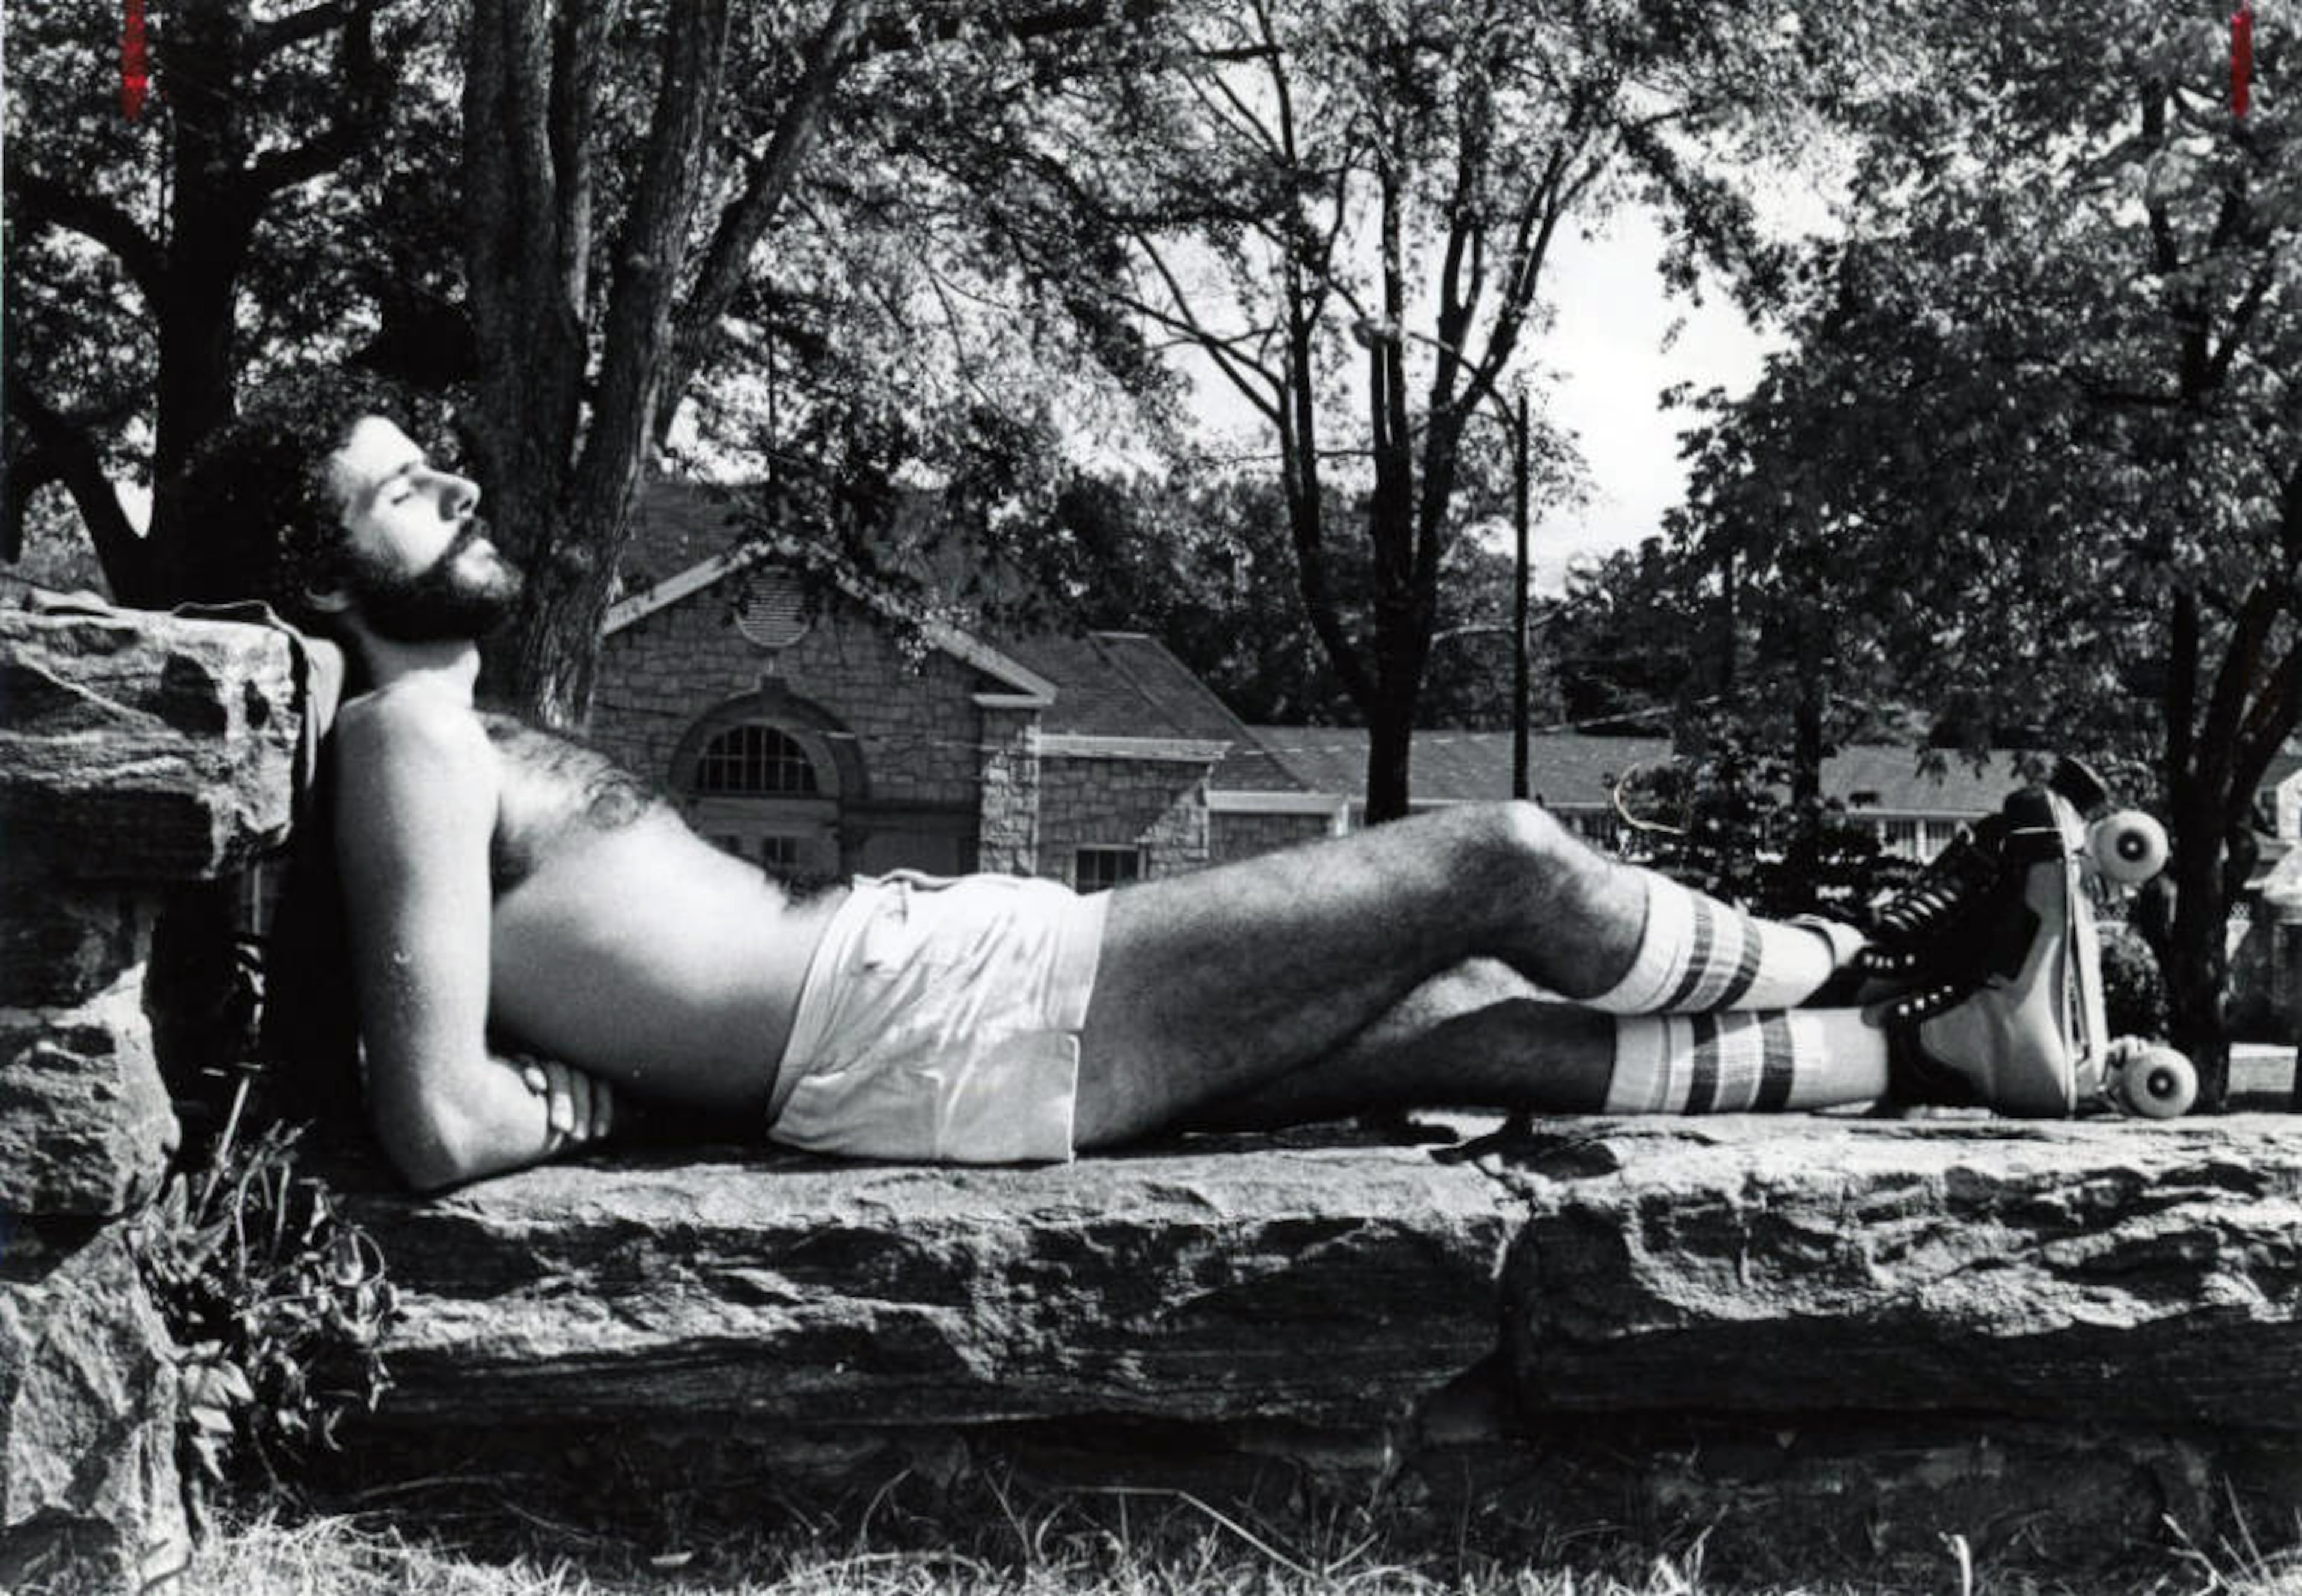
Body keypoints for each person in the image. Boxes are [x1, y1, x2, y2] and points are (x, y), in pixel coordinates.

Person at [170, 375, 2066, 1192]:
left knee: (1464, 1020)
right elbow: (436, 1118)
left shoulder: (437, 725)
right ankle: (1882, 938)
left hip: (914, 1012)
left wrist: (609, 1075)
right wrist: (587, 1109)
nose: (465, 486)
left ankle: (1943, 1051)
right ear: (319, 579)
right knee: (1492, 862)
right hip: (904, 1014)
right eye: (404, 489)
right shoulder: (405, 733)